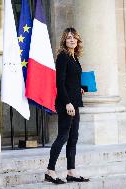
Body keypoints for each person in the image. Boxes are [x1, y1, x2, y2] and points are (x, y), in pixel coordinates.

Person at [45, 27, 90, 184]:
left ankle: (71, 171)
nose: (72, 40)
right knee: (63, 136)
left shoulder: (74, 57)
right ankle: (50, 171)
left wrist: (80, 89)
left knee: (73, 137)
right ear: (65, 40)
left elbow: (71, 81)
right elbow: (59, 82)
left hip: (75, 102)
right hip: (66, 104)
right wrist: (67, 102)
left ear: (78, 40)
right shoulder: (63, 57)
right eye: (69, 37)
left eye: (74, 37)